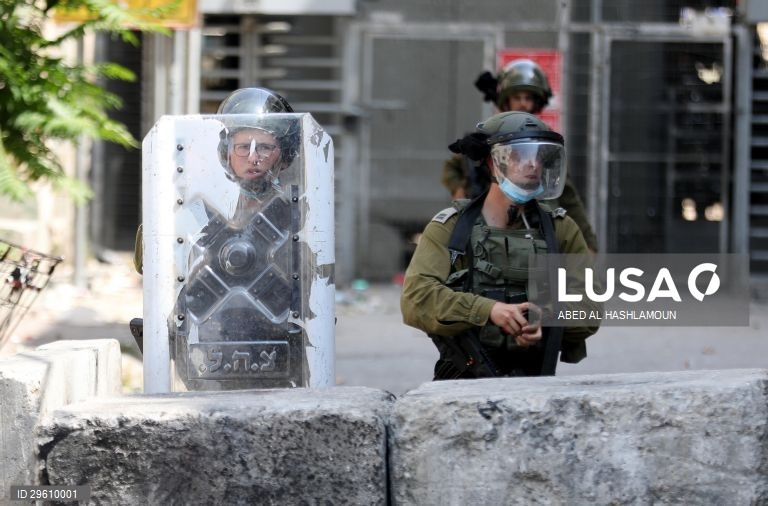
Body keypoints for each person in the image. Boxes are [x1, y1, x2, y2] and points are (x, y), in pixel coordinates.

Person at [403, 111, 600, 380]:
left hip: (536, 383)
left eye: (539, 157)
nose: (532, 165)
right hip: (463, 383)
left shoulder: (559, 229)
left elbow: (590, 307)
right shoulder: (452, 228)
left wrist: (545, 317)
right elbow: (417, 299)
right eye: (519, 156)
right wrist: (488, 310)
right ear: (492, 162)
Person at [441, 58, 599, 252]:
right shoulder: (490, 137)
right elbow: (455, 166)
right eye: (517, 98)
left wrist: (587, 239)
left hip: (537, 224)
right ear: (507, 100)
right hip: (491, 225)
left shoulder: (545, 143)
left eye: (528, 98)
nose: (523, 104)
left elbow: (567, 194)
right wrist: (458, 187)